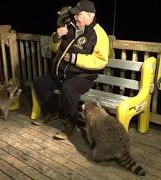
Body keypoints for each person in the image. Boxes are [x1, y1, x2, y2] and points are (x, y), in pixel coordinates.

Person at [33, 0, 109, 140]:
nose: (74, 17)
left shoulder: (99, 34)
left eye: (78, 15)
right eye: (74, 14)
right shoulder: (69, 27)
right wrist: (57, 37)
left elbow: (101, 61)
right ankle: (51, 111)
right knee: (40, 82)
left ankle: (70, 123)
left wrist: (75, 59)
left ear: (89, 16)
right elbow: (53, 49)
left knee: (68, 88)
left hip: (82, 77)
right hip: (60, 73)